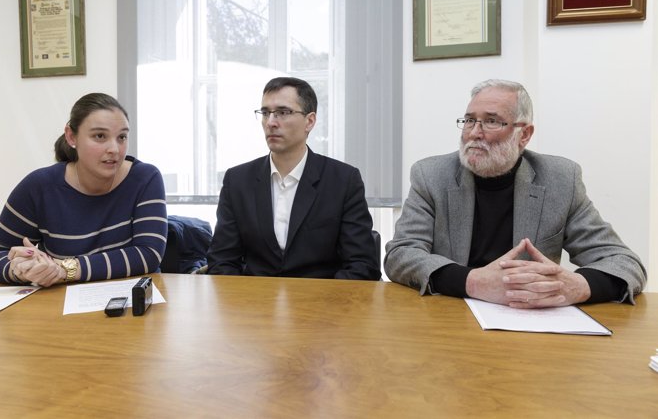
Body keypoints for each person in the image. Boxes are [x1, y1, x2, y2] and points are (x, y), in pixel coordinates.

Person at [385, 79, 646, 307]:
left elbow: (624, 263)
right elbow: (401, 255)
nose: (474, 133)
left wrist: (576, 285)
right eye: (469, 120)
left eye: (491, 121)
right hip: (449, 313)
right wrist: (472, 281)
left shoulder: (561, 180)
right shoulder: (431, 175)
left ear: (524, 134)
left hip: (529, 320)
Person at [0, 93, 168, 287]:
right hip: (59, 307)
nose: (115, 149)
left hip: (134, 304)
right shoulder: (39, 187)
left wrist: (64, 269)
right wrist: (23, 270)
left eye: (122, 137)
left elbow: (148, 254)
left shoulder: (145, 178)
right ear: (71, 136)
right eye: (100, 136)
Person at [207, 77, 380, 280]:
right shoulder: (237, 181)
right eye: (265, 113)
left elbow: (361, 264)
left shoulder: (343, 180)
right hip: (255, 303)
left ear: (310, 121)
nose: (271, 122)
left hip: (321, 303)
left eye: (283, 112)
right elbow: (222, 261)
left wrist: (326, 307)